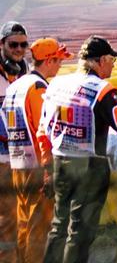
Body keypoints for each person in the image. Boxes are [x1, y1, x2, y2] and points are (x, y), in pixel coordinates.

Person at [39, 36, 117, 263]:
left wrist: (47, 167)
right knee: (79, 232)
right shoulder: (102, 90)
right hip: (90, 166)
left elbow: (42, 131)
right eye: (111, 60)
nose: (114, 64)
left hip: (60, 162)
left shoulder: (57, 83)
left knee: (58, 226)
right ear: (100, 61)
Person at [2, 39, 72, 263]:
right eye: (58, 60)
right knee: (39, 230)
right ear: (49, 60)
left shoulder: (15, 86)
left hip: (17, 165)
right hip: (38, 167)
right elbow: (45, 130)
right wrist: (49, 169)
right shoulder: (38, 88)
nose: (60, 65)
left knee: (24, 224)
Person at [0, 22, 30, 263]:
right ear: (2, 45)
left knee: (23, 211)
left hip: (20, 153)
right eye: (13, 45)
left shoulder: (25, 69)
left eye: (23, 45)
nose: (19, 49)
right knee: (6, 214)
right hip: (0, 155)